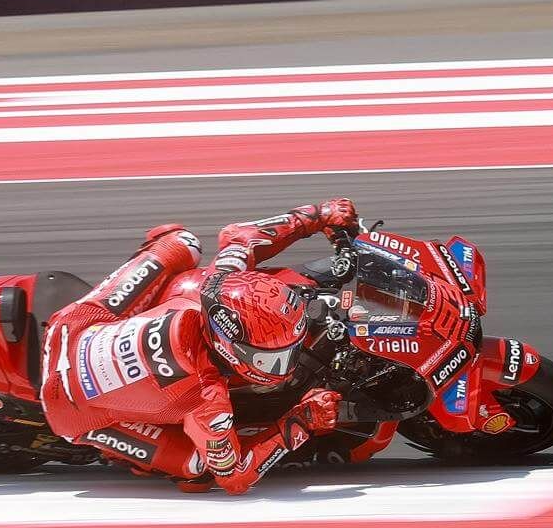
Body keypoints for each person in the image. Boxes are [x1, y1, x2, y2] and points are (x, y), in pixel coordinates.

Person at [38, 199, 361, 493]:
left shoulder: (216, 284)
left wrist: (319, 216)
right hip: (71, 408)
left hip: (75, 326)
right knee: (199, 471)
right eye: (270, 359)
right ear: (227, 347)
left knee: (182, 243)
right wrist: (300, 421)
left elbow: (241, 236)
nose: (283, 365)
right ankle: (127, 456)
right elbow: (235, 477)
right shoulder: (210, 404)